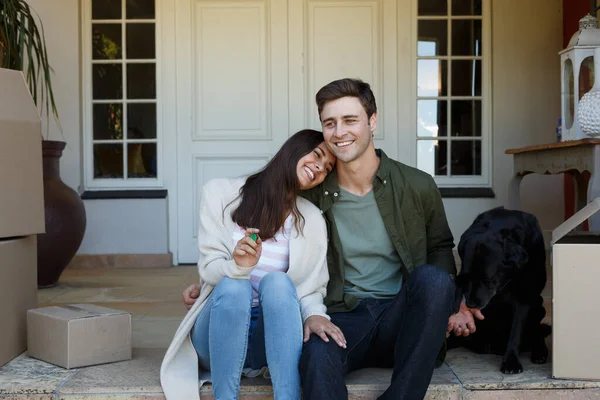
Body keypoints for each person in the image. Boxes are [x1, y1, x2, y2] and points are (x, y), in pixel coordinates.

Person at [181, 79, 484, 399]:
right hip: (342, 316)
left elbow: (439, 248)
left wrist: (453, 304)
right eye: (330, 123)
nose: (340, 132)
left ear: (372, 121)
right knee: (314, 356)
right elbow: (260, 210)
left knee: (434, 280)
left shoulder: (417, 184)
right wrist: (209, 282)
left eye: (350, 120)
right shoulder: (310, 191)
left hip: (399, 313)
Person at [160, 129, 345, 400]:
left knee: (278, 282)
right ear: (292, 150)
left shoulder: (312, 219)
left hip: (268, 339)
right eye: (317, 154)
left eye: (327, 168)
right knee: (235, 287)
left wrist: (315, 314)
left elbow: (310, 288)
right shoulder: (220, 193)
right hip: (216, 336)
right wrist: (237, 266)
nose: (320, 168)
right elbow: (209, 267)